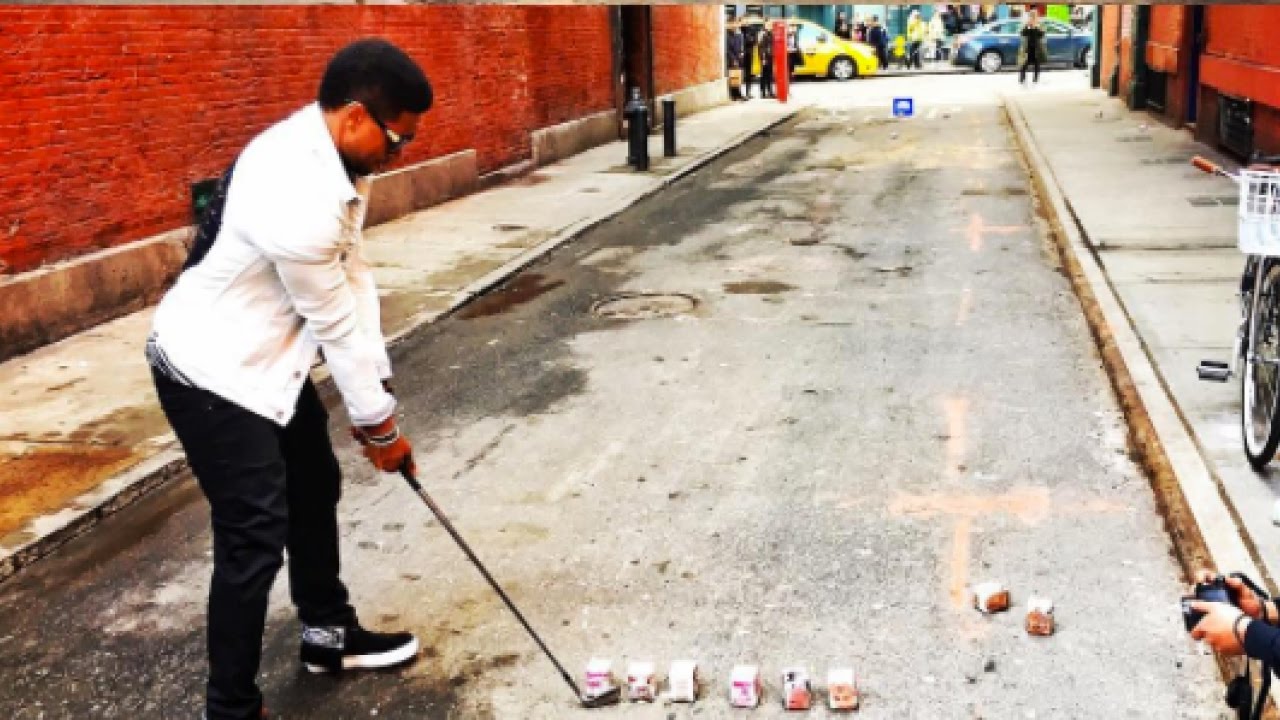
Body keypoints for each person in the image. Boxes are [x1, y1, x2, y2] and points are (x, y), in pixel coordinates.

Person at [146, 38, 431, 720]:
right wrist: (378, 429)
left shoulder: (337, 159)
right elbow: (333, 323)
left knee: (314, 483)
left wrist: (379, 389)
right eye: (397, 140)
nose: (399, 154)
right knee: (254, 531)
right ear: (356, 116)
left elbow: (354, 275)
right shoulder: (296, 190)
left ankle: (327, 636)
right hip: (209, 370)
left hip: (268, 359)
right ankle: (231, 709)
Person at [1019, 10, 1047, 84]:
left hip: (1036, 48)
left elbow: (1042, 34)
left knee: (1037, 64)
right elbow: (1022, 33)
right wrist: (1027, 26)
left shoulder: (1039, 24)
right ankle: (1022, 78)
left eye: (1034, 15)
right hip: (1027, 48)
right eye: (1032, 15)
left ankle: (1035, 79)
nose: (1033, 17)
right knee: (1024, 64)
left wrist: (1037, 27)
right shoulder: (1027, 24)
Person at [726, 23, 745, 101]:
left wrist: (741, 52)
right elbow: (728, 50)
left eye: (735, 25)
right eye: (733, 25)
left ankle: (738, 94)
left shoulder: (738, 35)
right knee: (732, 77)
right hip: (732, 60)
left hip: (739, 59)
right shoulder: (727, 36)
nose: (734, 26)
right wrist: (733, 59)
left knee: (738, 76)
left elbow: (741, 47)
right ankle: (733, 95)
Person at [742, 23, 758, 99]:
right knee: (744, 74)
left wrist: (751, 39)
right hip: (743, 55)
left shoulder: (751, 30)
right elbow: (751, 41)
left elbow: (754, 41)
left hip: (749, 55)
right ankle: (743, 93)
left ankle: (748, 93)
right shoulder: (741, 31)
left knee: (749, 75)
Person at [759, 27, 775, 99]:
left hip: (770, 57)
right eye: (768, 25)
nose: (770, 27)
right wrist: (763, 58)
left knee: (769, 75)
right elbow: (761, 48)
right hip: (765, 57)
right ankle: (763, 93)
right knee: (764, 75)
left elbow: (772, 45)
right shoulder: (762, 34)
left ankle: (770, 91)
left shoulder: (771, 34)